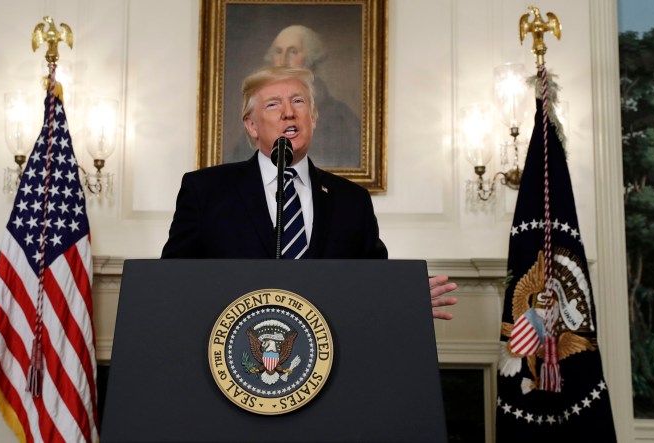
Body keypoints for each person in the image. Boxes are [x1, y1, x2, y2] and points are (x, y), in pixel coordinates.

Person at [161, 66, 457, 319]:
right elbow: (173, 280)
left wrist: (403, 298)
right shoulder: (206, 191)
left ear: (313, 118)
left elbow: (371, 281)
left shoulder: (351, 200)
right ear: (251, 126)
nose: (289, 112)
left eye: (298, 101)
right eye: (273, 105)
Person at [262, 25, 361, 168]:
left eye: (293, 52)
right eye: (278, 52)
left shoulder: (341, 117)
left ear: (311, 58)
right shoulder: (261, 113)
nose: (283, 61)